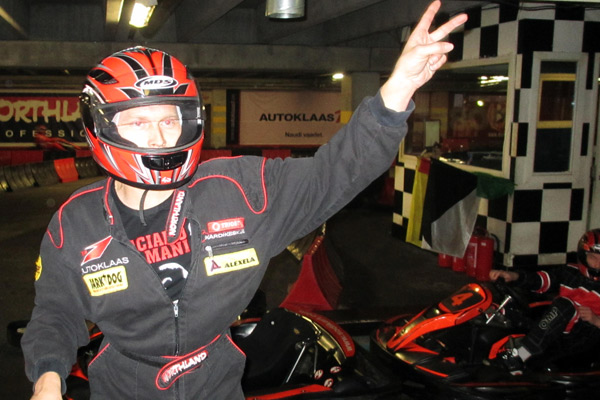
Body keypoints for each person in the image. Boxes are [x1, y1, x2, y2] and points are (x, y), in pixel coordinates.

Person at [22, 2, 467, 399]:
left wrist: (397, 91)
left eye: (169, 119)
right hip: (124, 386)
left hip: (217, 383)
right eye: (138, 122)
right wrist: (47, 379)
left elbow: (334, 173)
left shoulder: (242, 191)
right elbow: (55, 313)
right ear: (101, 128)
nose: (160, 137)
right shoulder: (74, 223)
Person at [489, 229, 600, 375]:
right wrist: (513, 276)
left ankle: (520, 356)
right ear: (583, 257)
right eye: (593, 257)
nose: (597, 264)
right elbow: (541, 280)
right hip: (557, 329)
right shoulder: (570, 272)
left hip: (584, 338)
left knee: (564, 306)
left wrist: (595, 320)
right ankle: (481, 349)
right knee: (512, 308)